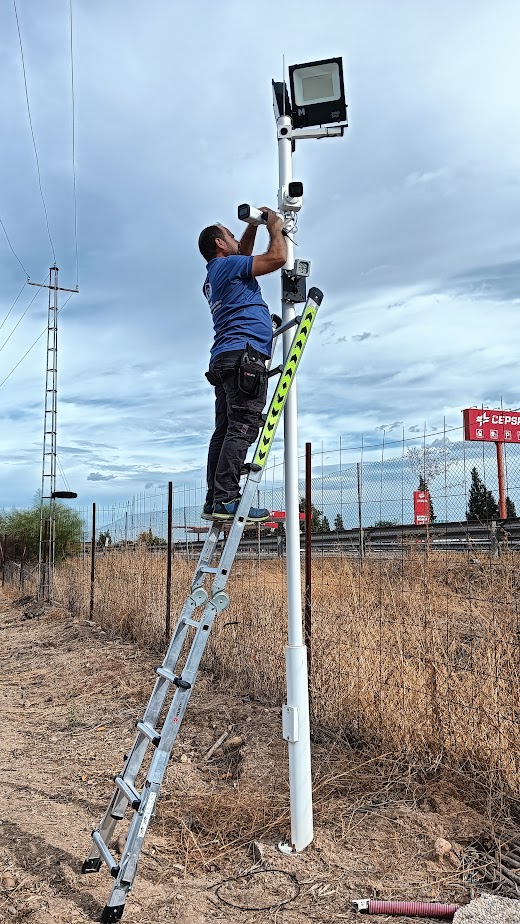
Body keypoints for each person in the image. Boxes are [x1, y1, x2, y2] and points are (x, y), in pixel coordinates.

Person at [198, 209, 287, 521]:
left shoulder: (216, 274)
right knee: (242, 426)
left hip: (225, 359)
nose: (237, 239)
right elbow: (277, 258)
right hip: (243, 357)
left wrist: (252, 227)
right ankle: (226, 498)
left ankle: (215, 498)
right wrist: (274, 227)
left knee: (224, 430)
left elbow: (243, 255)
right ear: (221, 244)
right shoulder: (228, 266)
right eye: (232, 235)